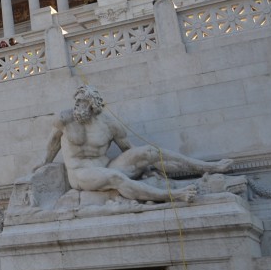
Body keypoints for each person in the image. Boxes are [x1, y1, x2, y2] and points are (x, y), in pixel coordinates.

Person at [38, 85, 232, 203]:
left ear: (93, 104)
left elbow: (128, 150)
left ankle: (208, 167)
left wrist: (143, 165)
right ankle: (173, 196)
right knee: (115, 177)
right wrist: (43, 164)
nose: (77, 105)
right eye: (77, 101)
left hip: (105, 166)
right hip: (81, 174)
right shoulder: (65, 119)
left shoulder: (109, 125)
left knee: (148, 151)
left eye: (82, 102)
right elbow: (53, 143)